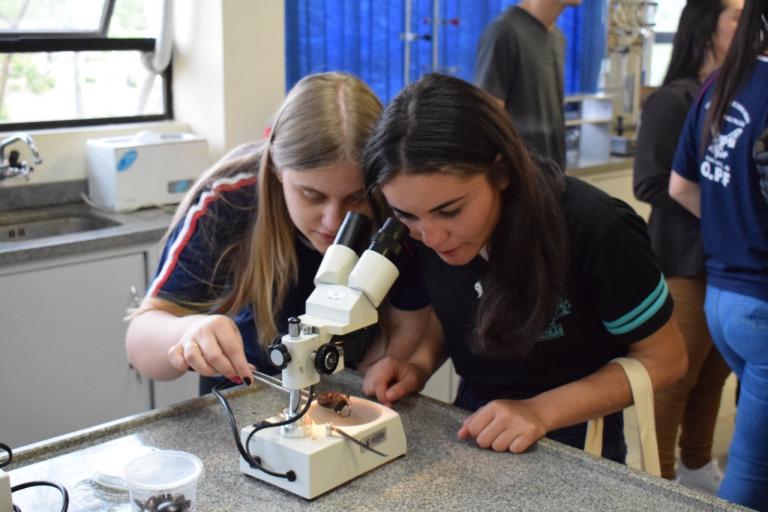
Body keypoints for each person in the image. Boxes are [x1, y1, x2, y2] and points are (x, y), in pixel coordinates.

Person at [362, 73, 687, 463]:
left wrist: (539, 411)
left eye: (450, 211)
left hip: (577, 427)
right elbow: (459, 307)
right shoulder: (422, 229)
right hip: (479, 415)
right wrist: (419, 364)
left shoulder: (598, 229)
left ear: (501, 173)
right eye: (407, 215)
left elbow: (665, 359)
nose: (430, 237)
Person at [125, 72, 431, 395]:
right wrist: (189, 331)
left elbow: (408, 325)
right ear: (276, 167)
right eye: (312, 195)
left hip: (347, 397)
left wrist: (374, 380)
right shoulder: (230, 205)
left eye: (355, 198)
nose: (333, 221)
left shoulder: (394, 208)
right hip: (242, 400)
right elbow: (140, 342)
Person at [633, 0, 742, 491]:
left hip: (728, 264)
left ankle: (696, 470)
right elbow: (650, 182)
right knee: (674, 380)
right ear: (705, 27)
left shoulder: (737, 95)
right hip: (684, 262)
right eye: (737, 15)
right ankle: (657, 484)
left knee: (713, 376)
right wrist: (725, 212)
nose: (751, 24)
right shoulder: (672, 100)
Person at [670, 0, 768, 507]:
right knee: (749, 479)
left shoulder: (721, 84)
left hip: (723, 299)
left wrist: (733, 229)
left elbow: (681, 185)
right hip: (760, 305)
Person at [474, 0, 581, 171]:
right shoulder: (504, 31)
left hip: (552, 172)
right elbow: (488, 118)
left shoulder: (558, 37)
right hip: (520, 175)